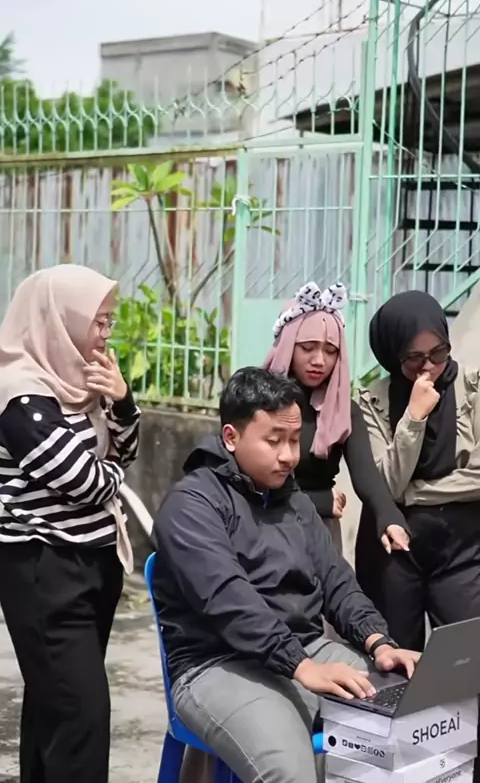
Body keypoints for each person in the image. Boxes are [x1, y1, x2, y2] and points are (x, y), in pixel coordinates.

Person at [153, 367, 419, 783]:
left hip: (303, 649)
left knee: (410, 720)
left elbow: (335, 579)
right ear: (231, 437)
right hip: (216, 663)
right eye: (274, 440)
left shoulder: (292, 500)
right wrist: (301, 666)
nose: (289, 456)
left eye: (295, 440)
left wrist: (378, 641)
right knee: (290, 771)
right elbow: (229, 601)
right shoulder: (192, 505)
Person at [0, 264, 140, 783]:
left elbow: (128, 450)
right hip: (45, 570)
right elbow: (85, 481)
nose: (104, 334)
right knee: (82, 718)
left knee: (53, 709)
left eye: (108, 321)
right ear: (59, 320)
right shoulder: (19, 395)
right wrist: (113, 476)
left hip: (89, 565)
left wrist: (122, 401)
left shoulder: (80, 382)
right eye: (97, 322)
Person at [358, 290, 480, 650]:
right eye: (414, 358)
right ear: (393, 354)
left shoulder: (473, 389)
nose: (429, 367)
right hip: (393, 551)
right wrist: (413, 418)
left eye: (438, 353)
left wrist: (414, 493)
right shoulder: (373, 402)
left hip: (464, 548)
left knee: (463, 655)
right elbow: (386, 485)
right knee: (395, 658)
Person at [263, 281, 410, 560]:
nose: (319, 360)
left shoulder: (344, 410)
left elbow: (367, 477)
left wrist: (389, 517)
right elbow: (252, 481)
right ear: (288, 345)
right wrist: (319, 500)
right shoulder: (257, 402)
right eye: (308, 347)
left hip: (320, 536)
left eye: (331, 351)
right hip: (264, 527)